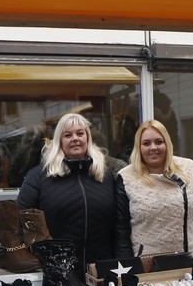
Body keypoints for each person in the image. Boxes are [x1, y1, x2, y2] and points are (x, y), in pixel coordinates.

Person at [17, 112, 118, 273]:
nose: (75, 138)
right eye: (68, 135)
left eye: (80, 133)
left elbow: (118, 227)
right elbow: (20, 221)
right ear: (59, 141)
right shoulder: (38, 177)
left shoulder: (105, 177)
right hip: (58, 274)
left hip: (101, 272)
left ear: (88, 138)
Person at [113, 120, 193, 266]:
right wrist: (129, 268)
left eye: (159, 142)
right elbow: (121, 230)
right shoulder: (127, 177)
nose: (153, 147)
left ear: (167, 144)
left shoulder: (189, 168)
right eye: (146, 143)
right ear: (139, 147)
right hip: (147, 268)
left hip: (192, 264)